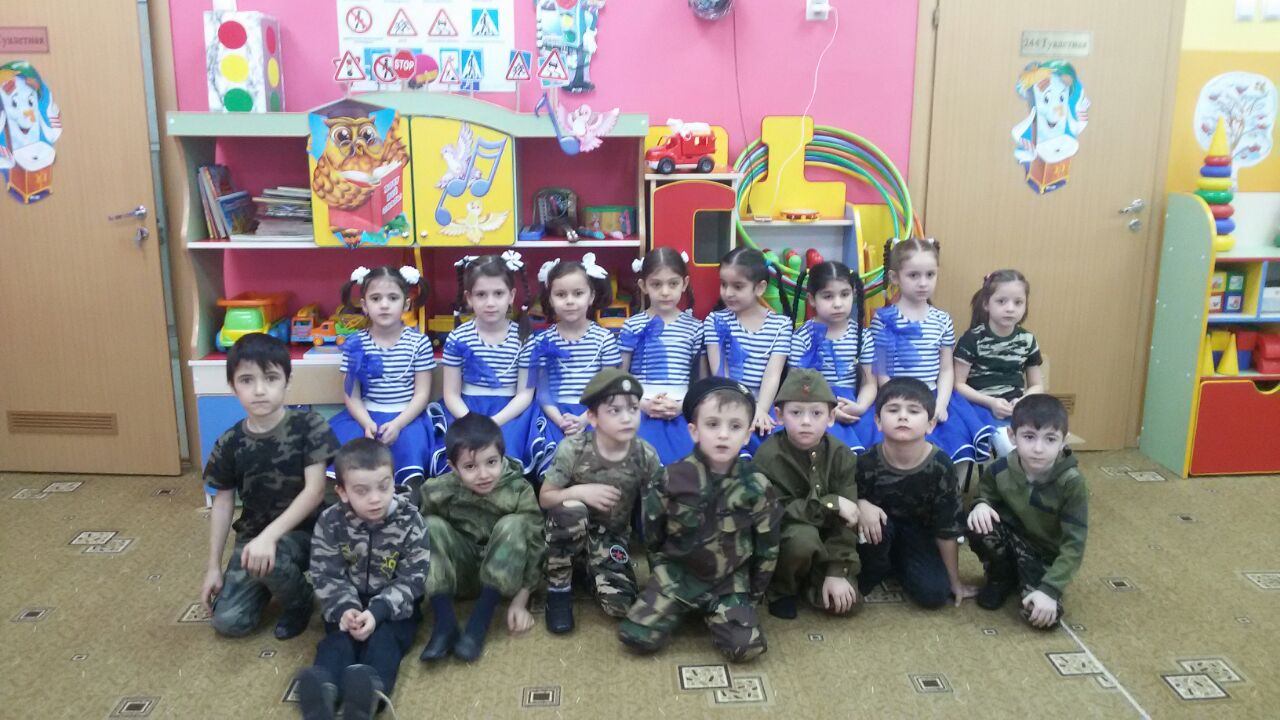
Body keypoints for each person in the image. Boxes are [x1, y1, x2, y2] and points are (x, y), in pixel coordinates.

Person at [618, 377, 781, 662]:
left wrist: (752, 595)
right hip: (678, 575)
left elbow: (768, 546)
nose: (723, 435)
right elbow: (653, 533)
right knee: (636, 636)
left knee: (746, 648)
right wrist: (661, 576)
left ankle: (717, 612)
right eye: (712, 424)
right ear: (694, 431)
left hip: (728, 582)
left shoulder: (756, 486)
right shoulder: (671, 477)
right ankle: (676, 606)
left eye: (735, 427)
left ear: (747, 436)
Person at [201, 333, 337, 640]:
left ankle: (299, 602)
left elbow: (315, 491)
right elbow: (223, 503)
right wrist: (213, 567)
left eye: (271, 378)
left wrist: (269, 537)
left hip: (312, 533)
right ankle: (267, 578)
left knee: (272, 556)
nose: (260, 390)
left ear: (287, 381)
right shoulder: (229, 441)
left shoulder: (309, 426)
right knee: (229, 621)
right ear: (232, 386)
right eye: (246, 380)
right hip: (255, 536)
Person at [295, 439, 430, 720]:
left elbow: (413, 578)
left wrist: (378, 611)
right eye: (362, 491)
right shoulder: (330, 521)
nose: (375, 498)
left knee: (384, 643)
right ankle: (322, 690)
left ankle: (367, 695)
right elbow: (325, 572)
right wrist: (345, 608)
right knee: (337, 642)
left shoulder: (410, 519)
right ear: (342, 492)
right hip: (345, 605)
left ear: (393, 481)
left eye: (384, 486)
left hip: (395, 610)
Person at [539, 369, 664, 634]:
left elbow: (656, 514)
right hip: (567, 532)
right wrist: (580, 492)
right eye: (614, 411)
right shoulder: (573, 449)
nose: (626, 418)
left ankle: (588, 572)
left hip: (610, 538)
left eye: (633, 409)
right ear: (593, 418)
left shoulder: (646, 454)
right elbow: (546, 498)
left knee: (621, 606)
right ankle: (559, 588)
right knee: (572, 510)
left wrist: (661, 580)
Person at [418, 414, 544, 662]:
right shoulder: (437, 490)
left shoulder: (519, 490)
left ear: (502, 458)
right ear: (453, 467)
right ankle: (444, 623)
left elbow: (537, 545)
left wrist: (521, 600)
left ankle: (479, 623)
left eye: (491, 462)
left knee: (514, 524)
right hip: (460, 576)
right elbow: (424, 547)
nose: (483, 474)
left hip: (504, 577)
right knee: (429, 526)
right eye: (470, 467)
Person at [855, 378, 978, 608]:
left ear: (930, 424)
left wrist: (954, 581)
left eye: (913, 411)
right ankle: (879, 566)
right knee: (863, 573)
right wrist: (860, 503)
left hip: (919, 535)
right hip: (879, 532)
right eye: (893, 410)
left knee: (935, 594)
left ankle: (899, 564)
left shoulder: (941, 465)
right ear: (878, 421)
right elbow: (846, 501)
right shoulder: (866, 462)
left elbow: (947, 529)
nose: (903, 416)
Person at [866, 238, 991, 464]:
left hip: (934, 395)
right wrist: (897, 402)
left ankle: (948, 486)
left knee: (955, 440)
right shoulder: (883, 320)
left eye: (930, 275)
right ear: (895, 277)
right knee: (886, 446)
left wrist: (940, 404)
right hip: (896, 397)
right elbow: (881, 372)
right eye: (913, 275)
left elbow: (946, 369)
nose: (923, 283)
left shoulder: (942, 320)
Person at [966, 395, 1086, 629]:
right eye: (1029, 437)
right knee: (977, 521)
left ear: (1063, 442)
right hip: (1011, 540)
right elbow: (985, 493)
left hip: (1044, 557)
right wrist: (981, 504)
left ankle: (1030, 580)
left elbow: (1074, 544)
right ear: (1012, 436)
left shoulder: (1071, 482)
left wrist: (1050, 589)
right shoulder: (1000, 468)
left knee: (1043, 618)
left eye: (1050, 439)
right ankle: (1001, 577)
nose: (1038, 448)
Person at [752, 369, 862, 619]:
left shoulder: (842, 455)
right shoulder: (767, 457)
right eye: (796, 412)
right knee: (803, 539)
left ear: (831, 417)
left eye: (816, 413)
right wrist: (830, 504)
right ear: (779, 415)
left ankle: (818, 578)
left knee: (845, 605)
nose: (805, 421)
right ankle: (783, 589)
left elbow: (849, 518)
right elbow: (777, 511)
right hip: (786, 539)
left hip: (829, 537)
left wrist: (838, 570)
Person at [329, 265, 436, 486]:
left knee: (410, 456)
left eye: (393, 298)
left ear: (406, 304)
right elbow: (351, 394)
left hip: (406, 418)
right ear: (364, 305)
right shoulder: (355, 343)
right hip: (364, 417)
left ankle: (407, 503)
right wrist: (367, 423)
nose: (384, 305)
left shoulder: (419, 342)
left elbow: (421, 394)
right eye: (376, 298)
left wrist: (397, 424)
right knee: (352, 466)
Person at [433, 253, 536, 474]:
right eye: (481, 295)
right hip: (466, 411)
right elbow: (451, 394)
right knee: (464, 453)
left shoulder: (524, 338)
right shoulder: (458, 337)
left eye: (498, 293)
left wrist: (493, 423)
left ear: (511, 296)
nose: (490, 303)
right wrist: (472, 422)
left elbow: (525, 394)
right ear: (469, 298)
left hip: (510, 412)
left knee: (504, 455)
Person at [521, 254, 622, 475]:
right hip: (554, 414)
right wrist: (561, 421)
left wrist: (584, 419)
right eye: (560, 294)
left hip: (594, 412)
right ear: (549, 299)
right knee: (557, 466)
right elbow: (542, 391)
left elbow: (608, 388)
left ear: (591, 296)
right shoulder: (543, 341)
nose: (569, 301)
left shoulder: (605, 339)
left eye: (578, 293)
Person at [704, 247, 793, 457]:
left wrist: (760, 409)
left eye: (738, 286)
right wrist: (744, 407)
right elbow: (720, 373)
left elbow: (773, 374)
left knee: (774, 444)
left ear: (759, 287)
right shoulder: (715, 321)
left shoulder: (781, 325)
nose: (728, 293)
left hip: (764, 401)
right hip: (726, 397)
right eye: (723, 284)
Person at [620, 247, 705, 464]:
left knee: (685, 464)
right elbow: (620, 377)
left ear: (684, 283)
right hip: (639, 408)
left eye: (673, 284)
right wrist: (641, 404)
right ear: (643, 286)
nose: (665, 292)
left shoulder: (695, 328)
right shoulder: (632, 325)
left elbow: (701, 381)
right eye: (656, 284)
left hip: (682, 410)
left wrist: (682, 407)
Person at [954, 269, 1045, 458]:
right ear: (986, 304)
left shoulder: (1027, 340)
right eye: (1001, 301)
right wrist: (991, 402)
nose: (1010, 308)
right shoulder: (972, 340)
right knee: (1010, 446)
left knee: (1048, 439)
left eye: (1018, 302)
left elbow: (1037, 385)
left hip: (1017, 407)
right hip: (980, 407)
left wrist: (1023, 400)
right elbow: (958, 385)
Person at [790, 261, 878, 453]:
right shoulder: (802, 337)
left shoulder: (861, 336)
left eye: (844, 294)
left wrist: (860, 407)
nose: (838, 304)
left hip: (853, 403)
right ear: (812, 299)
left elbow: (870, 383)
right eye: (828, 296)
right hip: (813, 402)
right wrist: (826, 410)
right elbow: (796, 386)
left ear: (854, 294)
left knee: (878, 433)